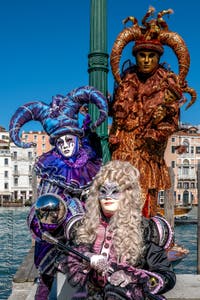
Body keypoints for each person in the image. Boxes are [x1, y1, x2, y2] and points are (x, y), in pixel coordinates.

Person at [9, 85, 108, 299]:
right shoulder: (51, 166)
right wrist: (44, 222)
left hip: (84, 230)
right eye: (59, 142)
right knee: (46, 275)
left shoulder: (89, 162)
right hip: (56, 227)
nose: (64, 145)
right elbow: (43, 204)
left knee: (83, 274)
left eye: (68, 140)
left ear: (76, 139)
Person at [109, 7, 196, 216]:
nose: (146, 60)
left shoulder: (167, 85)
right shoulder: (124, 84)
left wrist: (156, 131)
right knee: (118, 203)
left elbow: (171, 122)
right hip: (122, 153)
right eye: (142, 55)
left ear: (157, 58)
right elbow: (117, 111)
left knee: (144, 206)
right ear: (136, 57)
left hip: (148, 157)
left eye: (151, 56)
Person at [60, 160, 176, 300]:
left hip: (128, 296)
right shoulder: (83, 226)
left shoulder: (146, 230)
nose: (108, 196)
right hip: (90, 295)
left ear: (128, 195)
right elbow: (63, 258)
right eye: (103, 191)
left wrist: (134, 278)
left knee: (117, 290)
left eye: (115, 191)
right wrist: (86, 257)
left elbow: (166, 275)